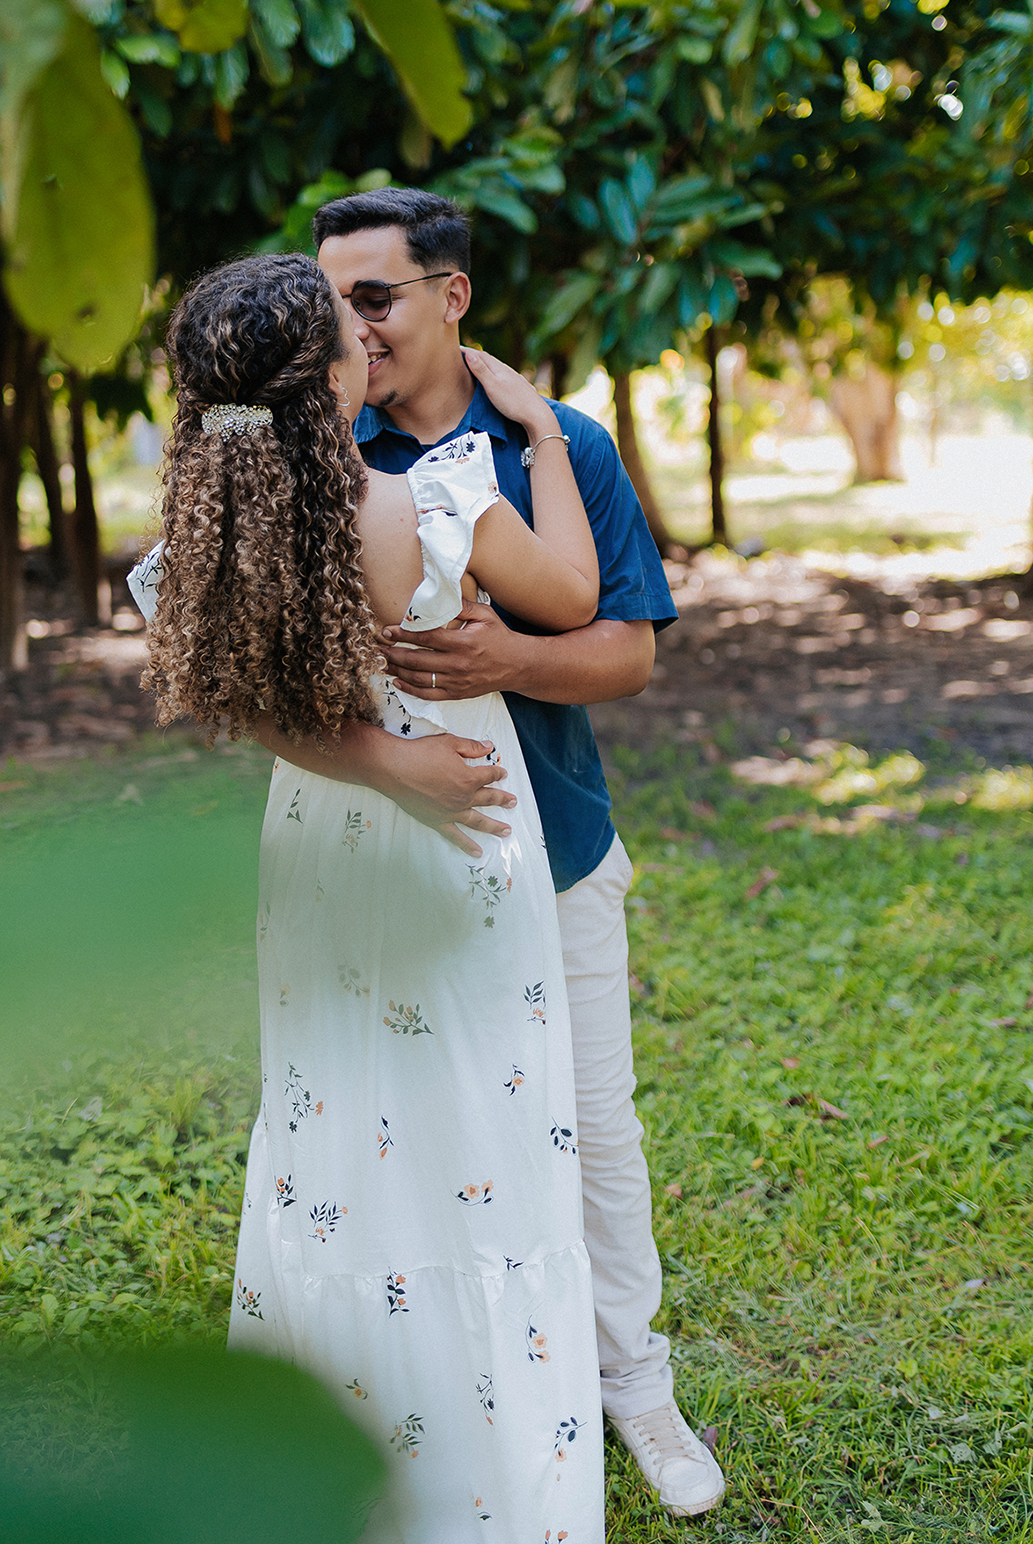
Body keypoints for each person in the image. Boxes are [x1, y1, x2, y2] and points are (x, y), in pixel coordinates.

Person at [129, 252, 613, 1543]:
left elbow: (232, 697)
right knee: (485, 1144)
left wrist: (373, 763)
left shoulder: (212, 527)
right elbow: (573, 596)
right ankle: (490, 1488)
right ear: (331, 379)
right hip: (461, 841)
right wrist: (540, 437)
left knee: (332, 1137)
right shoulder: (431, 499)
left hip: (327, 855)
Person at [282, 186, 722, 1522]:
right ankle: (443, 1383)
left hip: (557, 854)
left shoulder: (559, 444)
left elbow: (627, 650)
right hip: (380, 871)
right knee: (409, 1136)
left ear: (451, 295)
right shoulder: (303, 453)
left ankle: (633, 1383)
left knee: (591, 1129)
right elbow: (240, 676)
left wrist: (510, 659)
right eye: (331, 299)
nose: (350, 324)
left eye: (377, 296)